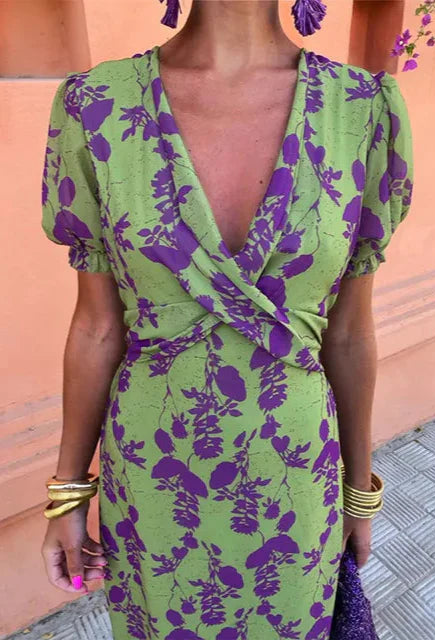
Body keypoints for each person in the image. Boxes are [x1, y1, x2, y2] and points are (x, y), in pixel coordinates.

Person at [39, 0, 414, 637]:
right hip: (155, 479)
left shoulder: (361, 110)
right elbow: (97, 326)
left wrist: (358, 493)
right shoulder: (96, 106)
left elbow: (349, 334)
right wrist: (68, 494)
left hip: (295, 476)